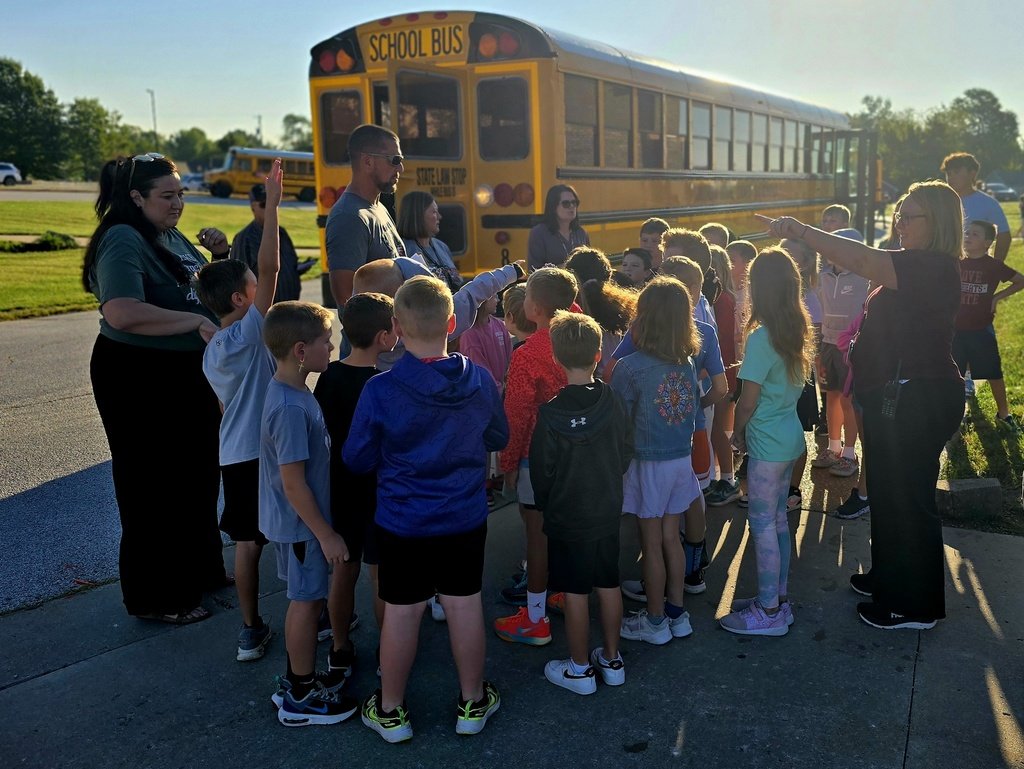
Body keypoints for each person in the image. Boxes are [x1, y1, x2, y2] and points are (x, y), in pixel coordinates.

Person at [763, 180, 965, 630]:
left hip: (917, 398)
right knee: (889, 495)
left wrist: (802, 231)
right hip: (897, 397)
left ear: (937, 222)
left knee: (907, 501)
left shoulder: (931, 266)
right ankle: (890, 577)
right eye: (898, 215)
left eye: (909, 216)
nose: (899, 223)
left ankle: (915, 605)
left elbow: (862, 259)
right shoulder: (913, 263)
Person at [343, 276, 508, 743]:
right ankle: (472, 701)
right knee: (464, 604)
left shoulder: (380, 390)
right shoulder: (480, 380)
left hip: (403, 520)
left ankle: (391, 709)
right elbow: (498, 435)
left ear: (396, 327)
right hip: (464, 515)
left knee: (402, 611)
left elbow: (356, 458)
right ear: (453, 323)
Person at [82, 152, 228, 624]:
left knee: (196, 475)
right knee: (152, 484)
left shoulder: (167, 232)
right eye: (167, 195)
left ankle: (199, 572)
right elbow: (121, 310)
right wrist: (192, 323)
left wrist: (219, 258)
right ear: (136, 197)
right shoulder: (123, 237)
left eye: (180, 193)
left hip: (184, 371)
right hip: (138, 374)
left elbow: (198, 292)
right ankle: (157, 596)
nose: (178, 203)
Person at [195, 158, 283, 659]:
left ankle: (250, 628)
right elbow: (270, 267)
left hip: (234, 454)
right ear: (240, 298)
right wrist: (273, 208)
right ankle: (312, 613)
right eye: (253, 286)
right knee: (294, 531)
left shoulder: (213, 348)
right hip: (270, 449)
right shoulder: (252, 331)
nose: (261, 287)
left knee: (247, 543)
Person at [259, 301, 359, 726]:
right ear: (301, 351)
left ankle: (297, 679)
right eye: (326, 340)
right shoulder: (290, 407)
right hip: (303, 527)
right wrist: (326, 534)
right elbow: (294, 484)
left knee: (308, 597)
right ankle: (300, 696)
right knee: (306, 601)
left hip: (303, 525)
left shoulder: (295, 391)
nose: (332, 346)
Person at [531, 312, 633, 693]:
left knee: (575, 591)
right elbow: (626, 449)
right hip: (606, 508)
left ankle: (578, 668)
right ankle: (612, 658)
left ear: (556, 358)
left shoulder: (550, 413)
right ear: (598, 355)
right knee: (608, 582)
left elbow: (542, 472)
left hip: (568, 514)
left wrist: (547, 504)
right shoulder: (613, 400)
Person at [720, 248, 812, 636]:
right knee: (777, 522)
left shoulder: (761, 338)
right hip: (789, 437)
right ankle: (777, 599)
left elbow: (748, 400)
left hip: (767, 445)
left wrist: (738, 433)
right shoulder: (795, 331)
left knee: (761, 524)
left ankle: (769, 610)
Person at [312, 292, 397, 688]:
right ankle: (387, 652)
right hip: (381, 490)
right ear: (384, 336)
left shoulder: (329, 377)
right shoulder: (385, 384)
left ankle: (340, 648)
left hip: (341, 487)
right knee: (380, 575)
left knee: (343, 571)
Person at [612, 278, 702, 645]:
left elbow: (618, 422)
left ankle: (653, 621)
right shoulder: (688, 364)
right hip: (679, 461)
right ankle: (676, 614)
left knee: (650, 543)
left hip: (647, 463)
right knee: (670, 538)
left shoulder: (629, 368)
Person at [493, 268, 578, 644]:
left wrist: (508, 462)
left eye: (526, 295)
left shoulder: (528, 354)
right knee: (567, 531)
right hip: (576, 452)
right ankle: (566, 595)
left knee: (537, 538)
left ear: (536, 308)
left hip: (536, 455)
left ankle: (534, 617)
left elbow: (518, 413)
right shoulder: (578, 339)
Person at [350, 256, 525, 371]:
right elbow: (473, 292)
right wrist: (511, 272)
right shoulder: (436, 321)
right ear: (451, 323)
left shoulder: (374, 383)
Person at [326, 124, 407, 307]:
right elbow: (348, 300)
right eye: (395, 160)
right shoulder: (349, 217)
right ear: (368, 162)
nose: (401, 168)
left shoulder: (378, 208)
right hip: (378, 327)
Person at [956, 219, 1024, 430]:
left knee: (993, 371)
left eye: (974, 234)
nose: (968, 236)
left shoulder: (993, 266)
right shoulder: (956, 261)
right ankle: (956, 415)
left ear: (987, 243)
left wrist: (996, 297)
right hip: (955, 329)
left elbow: (1020, 280)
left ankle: (1003, 414)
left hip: (981, 329)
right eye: (967, 232)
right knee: (955, 374)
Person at [813, 229, 870, 481]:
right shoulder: (822, 275)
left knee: (848, 400)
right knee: (831, 396)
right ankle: (833, 447)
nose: (832, 253)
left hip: (851, 346)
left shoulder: (864, 277)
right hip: (827, 342)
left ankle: (849, 453)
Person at [705, 245, 741, 506]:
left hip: (722, 371)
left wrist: (723, 373)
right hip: (721, 370)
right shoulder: (721, 298)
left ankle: (728, 478)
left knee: (718, 429)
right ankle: (719, 474)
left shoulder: (722, 300)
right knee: (717, 428)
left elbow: (724, 341)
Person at [565, 247, 637, 378]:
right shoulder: (619, 307)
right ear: (607, 277)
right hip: (618, 377)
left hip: (591, 379)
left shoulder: (572, 311)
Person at [228, 182, 302, 303]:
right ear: (253, 207)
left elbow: (291, 264)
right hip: (263, 310)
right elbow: (238, 280)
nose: (270, 208)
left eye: (273, 203)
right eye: (264, 204)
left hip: (290, 307)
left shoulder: (281, 233)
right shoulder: (244, 238)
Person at [941, 152, 1011, 261]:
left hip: (975, 270)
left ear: (972, 173)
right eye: (948, 173)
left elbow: (1004, 236)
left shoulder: (988, 203)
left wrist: (995, 266)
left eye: (956, 172)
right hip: (944, 266)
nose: (951, 177)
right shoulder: (941, 203)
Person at [398, 190, 464, 292]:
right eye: (434, 212)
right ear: (418, 215)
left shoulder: (442, 247)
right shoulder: (402, 250)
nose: (439, 217)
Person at [527, 184, 590, 271]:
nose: (572, 206)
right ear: (553, 207)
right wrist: (565, 267)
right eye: (566, 203)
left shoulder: (581, 233)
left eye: (574, 202)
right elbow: (534, 270)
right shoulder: (539, 233)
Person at [458, 294, 513, 388]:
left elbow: (511, 359)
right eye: (494, 296)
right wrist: (500, 390)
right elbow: (481, 375)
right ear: (482, 300)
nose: (498, 300)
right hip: (489, 393)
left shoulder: (500, 325)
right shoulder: (469, 335)